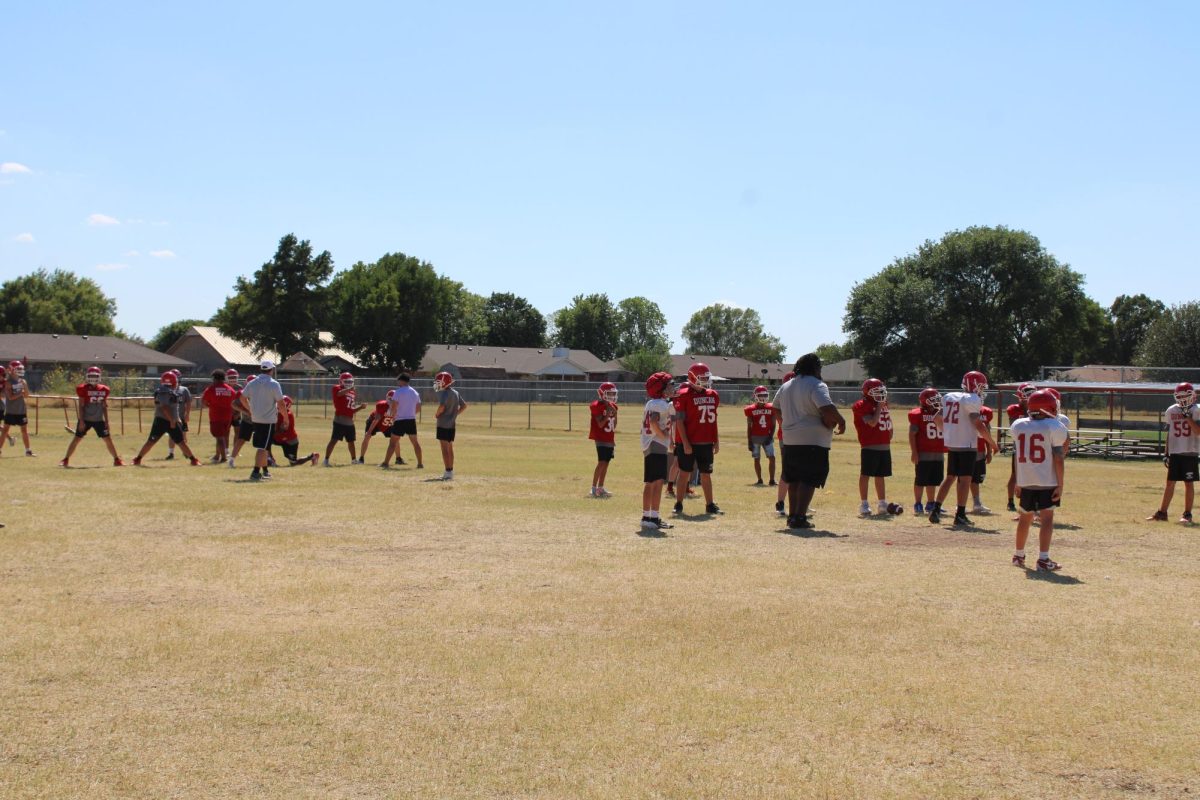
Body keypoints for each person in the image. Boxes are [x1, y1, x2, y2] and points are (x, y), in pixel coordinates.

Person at [773, 354, 846, 529]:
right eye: (819, 367)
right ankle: (800, 517)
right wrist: (841, 421)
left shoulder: (786, 385)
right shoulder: (816, 384)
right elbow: (826, 407)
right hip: (813, 439)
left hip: (790, 439)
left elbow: (775, 407)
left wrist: (785, 423)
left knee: (794, 478)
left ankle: (792, 516)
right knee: (809, 478)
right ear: (814, 368)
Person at [927, 371, 997, 527]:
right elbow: (977, 423)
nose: (981, 390)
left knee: (950, 476)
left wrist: (947, 432)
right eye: (980, 386)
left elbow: (936, 417)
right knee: (965, 479)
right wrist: (992, 443)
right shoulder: (973, 399)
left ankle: (936, 509)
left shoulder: (950, 396)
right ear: (973, 385)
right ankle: (960, 514)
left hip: (953, 442)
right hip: (967, 444)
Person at [1009, 389, 1069, 571]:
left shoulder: (1019, 425)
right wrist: (1061, 484)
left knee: (1025, 518)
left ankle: (1018, 555)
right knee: (1047, 519)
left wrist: (1019, 480)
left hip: (1026, 479)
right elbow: (1058, 457)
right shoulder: (1055, 426)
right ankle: (1043, 559)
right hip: (1047, 480)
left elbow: (1020, 453)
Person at [672, 362, 722, 516]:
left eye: (707, 378)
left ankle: (710, 504)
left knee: (706, 474)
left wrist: (717, 440)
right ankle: (678, 504)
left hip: (706, 441)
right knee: (685, 473)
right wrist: (686, 442)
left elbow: (713, 420)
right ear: (692, 378)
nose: (705, 382)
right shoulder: (683, 394)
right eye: (702, 378)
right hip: (688, 441)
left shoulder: (713, 394)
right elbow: (679, 420)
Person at [1147, 382, 1200, 524]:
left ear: (1192, 396)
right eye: (1180, 396)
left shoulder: (1196, 410)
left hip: (1190, 451)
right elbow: (1169, 433)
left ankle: (1187, 514)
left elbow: (1198, 431)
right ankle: (1162, 513)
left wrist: (1187, 417)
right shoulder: (1171, 410)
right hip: (1175, 452)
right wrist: (1166, 453)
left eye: (1185, 396)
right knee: (1169, 483)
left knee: (1188, 483)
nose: (1182, 399)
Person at [852, 378, 901, 516]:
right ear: (868, 392)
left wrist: (890, 432)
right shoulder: (861, 405)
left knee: (881, 475)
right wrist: (879, 405)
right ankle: (864, 504)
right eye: (877, 392)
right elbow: (873, 422)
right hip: (870, 445)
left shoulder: (882, 403)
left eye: (881, 391)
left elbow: (888, 421)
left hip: (884, 445)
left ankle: (882, 503)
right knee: (866, 474)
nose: (880, 394)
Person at [132, 371, 202, 466]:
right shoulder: (164, 391)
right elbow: (164, 407)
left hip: (170, 420)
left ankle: (193, 460)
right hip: (163, 421)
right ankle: (138, 459)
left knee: (180, 442)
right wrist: (172, 420)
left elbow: (173, 407)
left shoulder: (169, 390)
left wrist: (177, 418)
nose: (177, 383)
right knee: (152, 441)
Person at [59, 365, 124, 467]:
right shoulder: (82, 389)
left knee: (108, 439)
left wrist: (107, 421)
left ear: (99, 377)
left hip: (99, 420)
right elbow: (81, 406)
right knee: (77, 439)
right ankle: (65, 459)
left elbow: (104, 406)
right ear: (87, 376)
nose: (93, 379)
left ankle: (117, 460)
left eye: (95, 376)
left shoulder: (104, 389)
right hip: (86, 419)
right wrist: (81, 421)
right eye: (91, 376)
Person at [239, 360, 288, 481]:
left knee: (265, 446)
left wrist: (250, 410)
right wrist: (286, 418)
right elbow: (281, 403)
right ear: (271, 370)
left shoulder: (252, 383)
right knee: (262, 447)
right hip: (268, 420)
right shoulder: (273, 384)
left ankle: (265, 470)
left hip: (256, 419)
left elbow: (242, 398)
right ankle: (255, 472)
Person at [640, 372, 675, 531]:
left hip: (652, 446)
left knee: (652, 482)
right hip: (655, 445)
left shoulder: (657, 402)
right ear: (660, 388)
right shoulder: (659, 404)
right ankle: (651, 517)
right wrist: (664, 436)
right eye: (669, 385)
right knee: (656, 482)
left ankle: (650, 516)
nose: (672, 387)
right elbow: (654, 422)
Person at [908, 387, 945, 514]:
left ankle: (931, 503)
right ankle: (918, 503)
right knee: (920, 480)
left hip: (938, 451)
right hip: (923, 452)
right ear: (925, 401)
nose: (937, 402)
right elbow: (912, 433)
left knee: (933, 480)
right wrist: (914, 451)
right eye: (934, 399)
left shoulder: (941, 413)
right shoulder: (917, 414)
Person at [1005, 382, 1037, 511]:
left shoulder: (1037, 407)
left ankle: (1031, 500)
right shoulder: (1014, 409)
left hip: (1033, 446)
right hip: (1019, 447)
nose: (1030, 395)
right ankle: (1010, 501)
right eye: (1027, 392)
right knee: (1015, 474)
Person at [324, 371, 365, 466]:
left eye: (350, 381)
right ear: (341, 381)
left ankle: (354, 460)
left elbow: (351, 410)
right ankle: (326, 460)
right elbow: (339, 394)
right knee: (334, 440)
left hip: (350, 421)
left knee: (351, 442)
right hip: (340, 420)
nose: (349, 383)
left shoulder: (352, 392)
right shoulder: (337, 388)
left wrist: (361, 407)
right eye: (346, 381)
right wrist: (349, 389)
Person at [385, 373, 424, 469]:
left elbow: (394, 406)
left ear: (402, 381)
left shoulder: (398, 392)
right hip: (411, 420)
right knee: (415, 443)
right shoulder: (415, 392)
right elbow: (419, 407)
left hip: (400, 420)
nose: (397, 382)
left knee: (392, 443)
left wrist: (393, 417)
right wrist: (411, 414)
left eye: (398, 380)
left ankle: (385, 463)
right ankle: (420, 464)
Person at [433, 371, 467, 480]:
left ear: (445, 382)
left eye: (439, 382)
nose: (437, 384)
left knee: (444, 449)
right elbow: (464, 406)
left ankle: (447, 471)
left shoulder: (445, 394)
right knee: (450, 448)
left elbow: (442, 406)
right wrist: (454, 414)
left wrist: (437, 414)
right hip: (451, 424)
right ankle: (450, 470)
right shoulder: (455, 393)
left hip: (443, 424)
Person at [589, 381, 619, 498]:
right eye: (609, 393)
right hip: (601, 438)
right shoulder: (596, 406)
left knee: (606, 464)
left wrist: (615, 414)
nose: (612, 396)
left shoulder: (614, 406)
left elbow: (614, 425)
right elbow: (601, 424)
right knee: (601, 462)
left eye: (613, 394)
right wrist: (607, 413)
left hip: (610, 438)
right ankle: (593, 488)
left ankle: (600, 487)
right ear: (602, 394)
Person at [201, 369, 238, 463]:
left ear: (214, 378)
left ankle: (223, 458)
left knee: (219, 437)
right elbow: (235, 403)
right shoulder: (230, 389)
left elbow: (204, 402)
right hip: (228, 417)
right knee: (222, 436)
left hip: (216, 417)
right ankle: (217, 456)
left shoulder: (211, 389)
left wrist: (211, 406)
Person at [0, 360, 35, 457]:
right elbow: (10, 397)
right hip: (11, 411)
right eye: (18, 369)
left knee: (24, 431)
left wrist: (24, 387)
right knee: (5, 430)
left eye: (20, 368)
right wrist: (21, 393)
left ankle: (28, 451)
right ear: (11, 370)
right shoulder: (8, 382)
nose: (20, 370)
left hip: (21, 410)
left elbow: (27, 395)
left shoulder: (23, 381)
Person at [744, 385, 777, 487]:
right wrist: (749, 441)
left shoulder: (772, 407)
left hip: (767, 437)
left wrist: (770, 436)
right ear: (755, 396)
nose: (762, 397)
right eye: (760, 395)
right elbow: (749, 426)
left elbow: (773, 424)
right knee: (757, 459)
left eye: (764, 395)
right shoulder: (750, 409)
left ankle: (772, 480)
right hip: (755, 438)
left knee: (772, 458)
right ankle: (759, 479)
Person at [271, 396, 318, 466]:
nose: (277, 405)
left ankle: (312, 456)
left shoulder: (287, 415)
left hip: (289, 441)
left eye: (280, 403)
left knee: (293, 463)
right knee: (265, 441)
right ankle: (271, 460)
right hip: (280, 438)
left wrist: (270, 433)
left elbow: (281, 431)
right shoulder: (278, 413)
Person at [774, 371, 794, 516]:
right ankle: (780, 503)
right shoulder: (782, 397)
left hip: (799, 437)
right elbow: (778, 416)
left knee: (801, 471)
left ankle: (800, 503)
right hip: (787, 437)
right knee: (788, 471)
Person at [969, 403, 995, 514]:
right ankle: (960, 504)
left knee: (976, 478)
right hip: (966, 448)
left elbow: (987, 432)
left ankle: (977, 503)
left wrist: (989, 451)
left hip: (979, 449)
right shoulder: (963, 409)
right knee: (963, 477)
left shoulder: (986, 412)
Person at [228, 373, 255, 468]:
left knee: (265, 440)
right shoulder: (242, 392)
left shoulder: (261, 392)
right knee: (241, 440)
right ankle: (231, 459)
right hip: (248, 420)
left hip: (260, 420)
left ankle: (269, 459)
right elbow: (234, 404)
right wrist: (245, 411)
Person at [362, 390, 396, 465]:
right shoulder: (382, 405)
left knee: (395, 437)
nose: (392, 401)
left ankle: (398, 458)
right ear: (387, 398)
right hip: (374, 422)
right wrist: (369, 431)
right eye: (390, 399)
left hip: (386, 423)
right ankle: (361, 458)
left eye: (394, 399)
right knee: (367, 436)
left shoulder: (399, 406)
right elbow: (376, 419)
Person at [165, 370, 191, 460]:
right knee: (172, 436)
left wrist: (187, 414)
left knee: (183, 436)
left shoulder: (184, 389)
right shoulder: (167, 390)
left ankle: (186, 452)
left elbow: (188, 402)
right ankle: (171, 453)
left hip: (181, 417)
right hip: (171, 417)